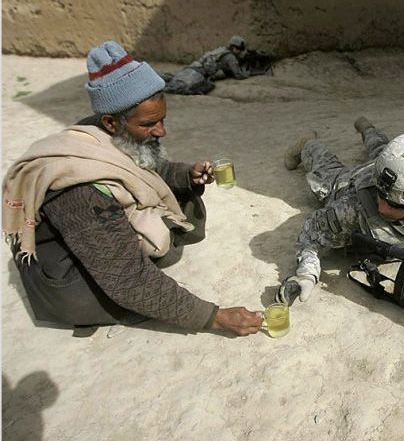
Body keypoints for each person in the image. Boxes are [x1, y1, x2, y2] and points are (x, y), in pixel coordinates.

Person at [2, 41, 262, 336]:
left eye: (162, 119)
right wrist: (214, 317)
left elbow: (147, 168)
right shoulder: (79, 188)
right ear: (111, 122)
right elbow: (127, 279)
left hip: (95, 241)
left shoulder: (113, 134)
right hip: (70, 279)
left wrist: (186, 175)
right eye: (150, 124)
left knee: (166, 243)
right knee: (130, 293)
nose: (161, 131)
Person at [277, 117, 404, 311]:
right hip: (351, 181)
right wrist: (307, 273)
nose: (383, 208)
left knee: (380, 148)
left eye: (395, 204)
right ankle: (308, 144)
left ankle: (368, 129)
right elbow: (311, 233)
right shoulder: (352, 208)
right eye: (380, 197)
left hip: (386, 170)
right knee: (327, 169)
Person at [162, 35, 273, 95]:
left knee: (172, 79)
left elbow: (224, 70)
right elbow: (239, 75)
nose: (241, 52)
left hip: (192, 68)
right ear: (234, 48)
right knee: (177, 88)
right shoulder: (230, 57)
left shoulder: (221, 50)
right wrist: (252, 72)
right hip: (197, 74)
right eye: (239, 50)